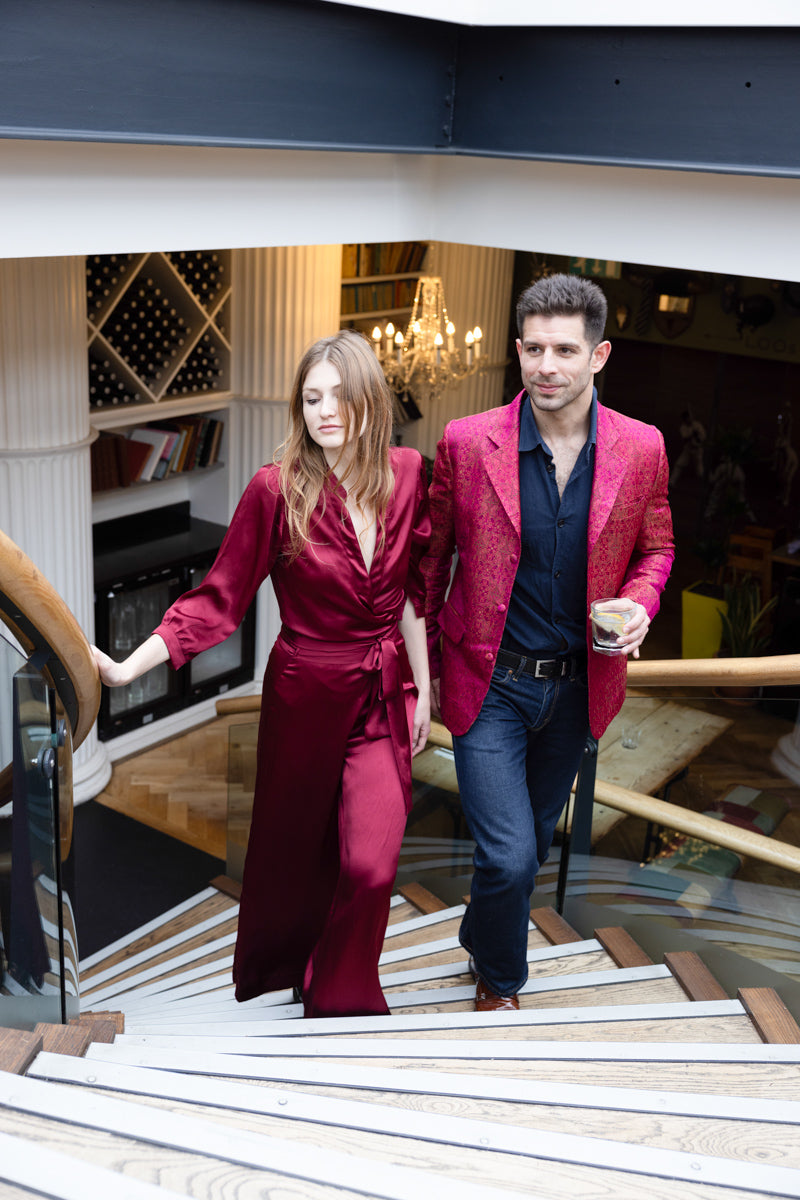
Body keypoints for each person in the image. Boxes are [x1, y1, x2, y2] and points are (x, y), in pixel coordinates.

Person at [92, 329, 431, 1019]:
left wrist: (422, 688)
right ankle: (302, 973)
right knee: (298, 853)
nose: (325, 410)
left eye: (340, 394)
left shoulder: (409, 475)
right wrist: (130, 668)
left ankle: (341, 999)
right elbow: (216, 600)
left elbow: (414, 597)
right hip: (304, 689)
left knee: (370, 866)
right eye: (311, 397)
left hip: (383, 691)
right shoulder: (275, 490)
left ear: (371, 398)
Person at [422, 274, 674, 1012]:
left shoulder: (643, 448)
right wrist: (420, 674)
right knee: (508, 855)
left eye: (565, 349)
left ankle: (480, 935)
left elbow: (656, 550)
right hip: (488, 682)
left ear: (599, 355)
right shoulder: (467, 443)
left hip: (575, 690)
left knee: (525, 852)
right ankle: (501, 981)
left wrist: (642, 604)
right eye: (533, 348)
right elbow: (430, 565)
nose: (546, 366)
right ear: (519, 350)